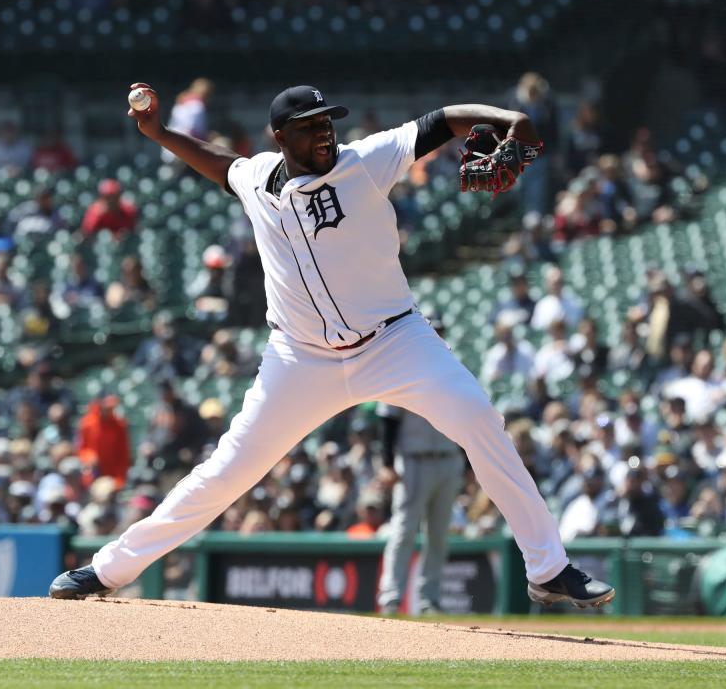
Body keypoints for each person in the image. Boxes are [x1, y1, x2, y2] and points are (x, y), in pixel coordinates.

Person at [49, 83, 614, 609]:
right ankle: (109, 570)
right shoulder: (257, 179)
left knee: (479, 418)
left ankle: (548, 566)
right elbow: (219, 164)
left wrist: (508, 117)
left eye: (326, 123)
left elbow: (443, 121)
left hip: (394, 340)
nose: (323, 132)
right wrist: (160, 134)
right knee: (225, 472)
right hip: (300, 359)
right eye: (308, 126)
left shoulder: (365, 162)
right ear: (281, 137)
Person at [376, 317, 466, 615]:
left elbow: (466, 417)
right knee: (403, 530)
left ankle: (429, 600)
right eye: (434, 330)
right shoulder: (402, 367)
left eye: (441, 331)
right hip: (413, 461)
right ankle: (391, 596)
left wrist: (466, 461)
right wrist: (388, 463)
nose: (438, 336)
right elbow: (388, 421)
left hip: (447, 458)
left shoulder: (454, 366)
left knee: (438, 534)